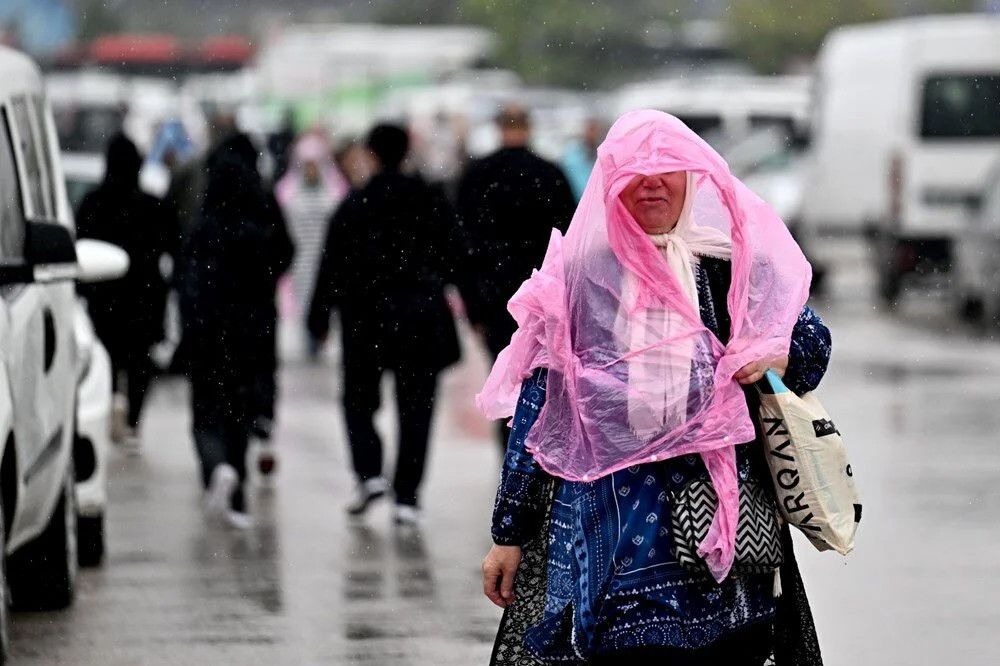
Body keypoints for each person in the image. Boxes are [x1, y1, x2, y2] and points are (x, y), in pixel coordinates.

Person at [479, 110, 830, 665]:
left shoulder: (727, 265)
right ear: (609, 183)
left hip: (723, 530)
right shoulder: (579, 278)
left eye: (667, 168)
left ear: (693, 176)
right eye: (633, 171)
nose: (651, 183)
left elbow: (810, 345)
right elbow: (537, 413)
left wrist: (779, 355)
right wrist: (509, 532)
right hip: (611, 534)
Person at [309, 123, 466, 525]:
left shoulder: (355, 203)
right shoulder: (429, 200)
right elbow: (457, 255)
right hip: (420, 315)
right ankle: (407, 497)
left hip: (366, 317)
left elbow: (332, 263)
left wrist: (319, 315)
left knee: (358, 401)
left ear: (372, 154)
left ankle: (369, 472)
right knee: (416, 409)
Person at [179, 139, 293, 527]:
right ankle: (239, 490)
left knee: (206, 412)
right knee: (239, 411)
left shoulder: (202, 231)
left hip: (208, 333)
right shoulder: (260, 230)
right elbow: (283, 258)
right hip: (251, 334)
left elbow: (187, 284)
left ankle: (216, 470)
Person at [456, 104, 576, 451]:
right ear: (529, 126)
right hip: (543, 295)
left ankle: (509, 452)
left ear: (497, 127)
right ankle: (538, 455)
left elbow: (465, 247)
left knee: (506, 376)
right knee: (543, 378)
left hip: (495, 295)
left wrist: (473, 305)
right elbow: (568, 240)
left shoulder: (477, 175)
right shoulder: (551, 174)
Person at [76, 133, 177, 449]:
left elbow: (78, 246)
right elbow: (173, 246)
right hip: (143, 296)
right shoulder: (153, 206)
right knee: (138, 361)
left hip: (103, 294)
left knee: (105, 355)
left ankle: (109, 406)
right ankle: (132, 420)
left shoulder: (92, 203)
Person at [275, 133, 349, 359]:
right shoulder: (286, 192)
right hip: (300, 260)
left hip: (325, 257)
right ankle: (310, 337)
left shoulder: (336, 191)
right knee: (303, 300)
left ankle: (319, 335)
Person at [561, 117, 604, 202]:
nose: (593, 134)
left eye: (595, 131)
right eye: (591, 130)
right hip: (579, 199)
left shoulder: (602, 153)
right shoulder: (574, 154)